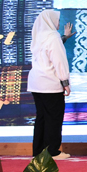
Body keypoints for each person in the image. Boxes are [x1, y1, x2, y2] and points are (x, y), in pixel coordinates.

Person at [28, 9, 71, 160]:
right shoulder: (53, 37)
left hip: (36, 82)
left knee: (41, 117)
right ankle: (52, 151)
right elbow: (59, 60)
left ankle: (39, 151)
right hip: (50, 83)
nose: (58, 23)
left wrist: (64, 37)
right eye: (57, 20)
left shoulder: (38, 35)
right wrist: (65, 81)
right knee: (54, 117)